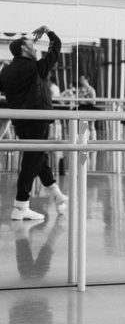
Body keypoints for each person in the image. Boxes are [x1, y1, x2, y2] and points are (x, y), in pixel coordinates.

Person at [0, 26, 69, 220]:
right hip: (38, 120)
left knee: (38, 157)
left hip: (21, 123)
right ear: (24, 48)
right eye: (31, 44)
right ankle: (21, 205)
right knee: (32, 160)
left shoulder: (6, 72)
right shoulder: (35, 67)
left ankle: (56, 194)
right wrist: (48, 31)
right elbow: (56, 47)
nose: (35, 47)